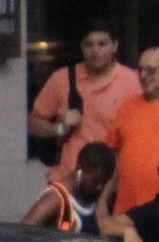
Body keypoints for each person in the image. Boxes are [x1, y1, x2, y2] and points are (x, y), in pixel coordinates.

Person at [29, 21, 136, 193]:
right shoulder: (62, 79)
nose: (95, 51)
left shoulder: (133, 82)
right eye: (89, 44)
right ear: (81, 47)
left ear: (114, 46)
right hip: (68, 180)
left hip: (113, 183)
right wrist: (60, 128)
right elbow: (33, 123)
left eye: (102, 44)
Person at [106, 48, 159, 242]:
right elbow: (114, 160)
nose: (144, 76)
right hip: (126, 216)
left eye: (151, 70)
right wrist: (103, 201)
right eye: (141, 70)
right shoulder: (128, 107)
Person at [23, 141, 120, 237]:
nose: (100, 188)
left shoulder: (92, 198)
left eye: (104, 182)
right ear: (80, 169)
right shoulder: (56, 199)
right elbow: (22, 233)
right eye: (95, 182)